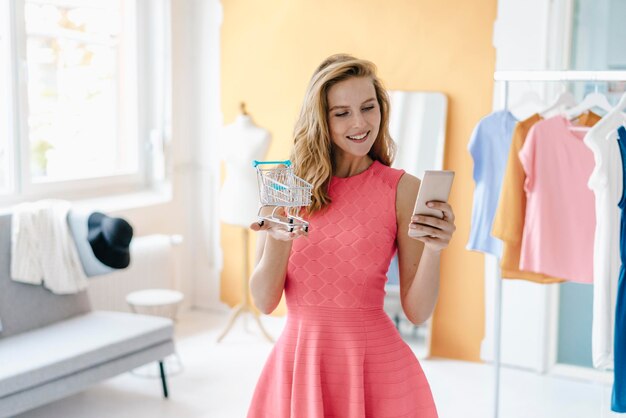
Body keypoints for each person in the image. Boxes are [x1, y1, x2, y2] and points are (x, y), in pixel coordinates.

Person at [247, 54, 456, 418]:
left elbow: (417, 311)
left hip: (374, 364)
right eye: (341, 112)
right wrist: (280, 242)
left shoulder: (403, 190)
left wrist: (435, 251)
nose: (360, 123)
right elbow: (265, 302)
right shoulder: (283, 183)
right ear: (320, 119)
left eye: (368, 107)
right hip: (300, 361)